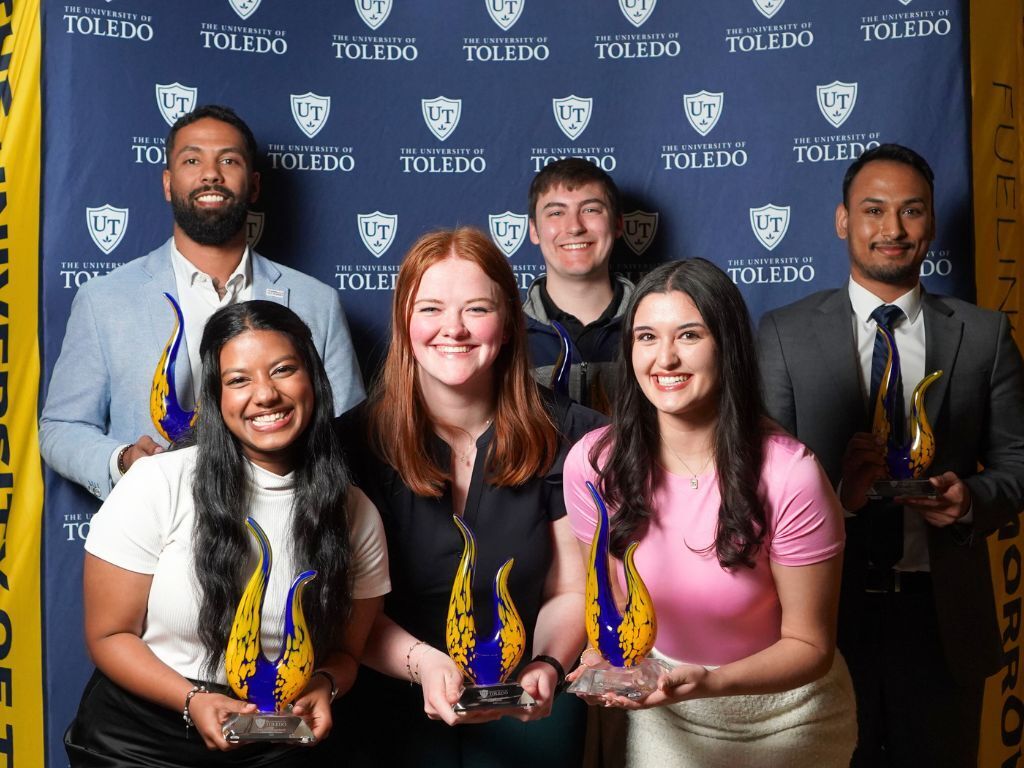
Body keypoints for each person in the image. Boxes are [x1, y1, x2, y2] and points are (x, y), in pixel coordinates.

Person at [757, 143, 1024, 767]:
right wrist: (839, 502)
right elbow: (759, 484)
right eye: (874, 210)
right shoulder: (784, 333)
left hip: (940, 621)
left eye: (912, 210)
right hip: (822, 617)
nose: (893, 229)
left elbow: (1017, 465)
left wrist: (969, 500)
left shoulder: (983, 336)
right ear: (842, 220)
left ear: (931, 223)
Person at [63, 301, 389, 767]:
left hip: (276, 744)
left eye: (283, 370)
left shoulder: (355, 512)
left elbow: (346, 653)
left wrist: (325, 684)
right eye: (239, 380)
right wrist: (193, 700)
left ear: (314, 380)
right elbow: (109, 635)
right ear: (216, 398)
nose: (265, 394)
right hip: (142, 741)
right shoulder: (158, 482)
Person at [564, 259, 856, 768]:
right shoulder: (594, 465)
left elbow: (810, 645)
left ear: (728, 346)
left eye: (690, 335)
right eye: (647, 337)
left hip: (789, 719)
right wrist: (599, 659)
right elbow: (609, 606)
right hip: (669, 717)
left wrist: (710, 683)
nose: (666, 358)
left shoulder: (791, 474)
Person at [336, 227, 604, 767]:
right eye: (431, 308)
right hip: (391, 695)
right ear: (404, 322)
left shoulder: (573, 436)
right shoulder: (348, 445)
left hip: (528, 700)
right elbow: (347, 607)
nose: (453, 328)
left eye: (477, 309)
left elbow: (570, 587)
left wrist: (548, 664)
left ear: (507, 324)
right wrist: (423, 664)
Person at [40, 104, 363, 501]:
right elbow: (61, 428)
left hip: (283, 521)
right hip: (155, 523)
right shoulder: (104, 300)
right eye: (192, 160)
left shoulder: (316, 302)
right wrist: (122, 461)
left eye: (229, 160)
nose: (211, 173)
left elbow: (348, 432)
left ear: (254, 185)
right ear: (167, 183)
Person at [524, 158, 633, 413]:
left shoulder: (655, 330)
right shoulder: (506, 337)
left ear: (618, 224)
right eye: (556, 213)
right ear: (534, 230)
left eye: (590, 210)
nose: (574, 227)